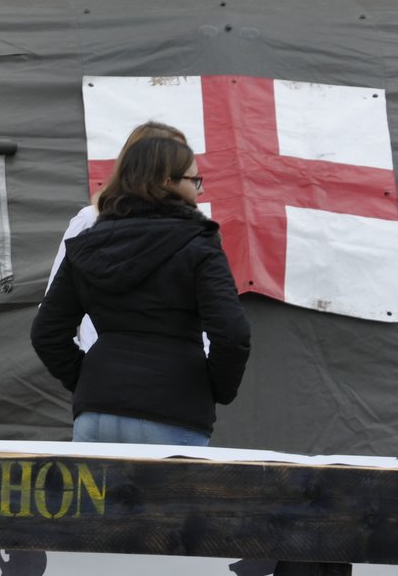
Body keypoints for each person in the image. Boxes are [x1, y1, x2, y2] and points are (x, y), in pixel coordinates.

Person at [30, 134, 250, 445]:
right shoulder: (200, 243)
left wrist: (88, 377)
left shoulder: (89, 244)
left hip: (96, 411)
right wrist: (216, 389)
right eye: (194, 180)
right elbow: (232, 333)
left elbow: (46, 332)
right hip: (175, 408)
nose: (199, 190)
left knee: (99, 497)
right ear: (167, 181)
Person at [47, 120, 192, 352]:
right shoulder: (90, 219)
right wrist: (85, 366)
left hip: (177, 372)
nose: (184, 164)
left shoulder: (191, 227)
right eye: (174, 156)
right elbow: (53, 307)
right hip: (108, 370)